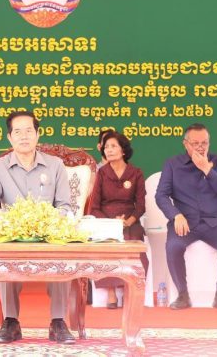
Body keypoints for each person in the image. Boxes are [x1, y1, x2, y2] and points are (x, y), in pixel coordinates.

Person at [0, 111, 76, 344]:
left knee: (62, 252)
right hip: (12, 231)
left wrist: (47, 220)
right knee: (5, 253)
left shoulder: (55, 165)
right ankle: (11, 322)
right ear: (9, 137)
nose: (24, 136)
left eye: (29, 131)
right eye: (18, 132)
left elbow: (65, 205)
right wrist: (6, 219)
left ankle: (58, 321)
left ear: (37, 134)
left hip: (48, 231)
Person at [155, 123, 217, 311]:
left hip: (215, 221)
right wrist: (175, 215)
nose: (200, 147)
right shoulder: (172, 164)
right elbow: (161, 195)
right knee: (173, 246)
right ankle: (182, 294)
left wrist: (208, 170)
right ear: (185, 143)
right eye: (195, 143)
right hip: (185, 221)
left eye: (204, 143)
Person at [89, 131, 147, 309]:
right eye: (106, 147)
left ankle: (131, 288)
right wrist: (111, 223)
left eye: (113, 146)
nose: (109, 150)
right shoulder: (102, 173)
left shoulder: (136, 173)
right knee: (107, 247)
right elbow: (94, 207)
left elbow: (141, 205)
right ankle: (111, 291)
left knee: (134, 244)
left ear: (123, 150)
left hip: (130, 220)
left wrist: (129, 221)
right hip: (106, 221)